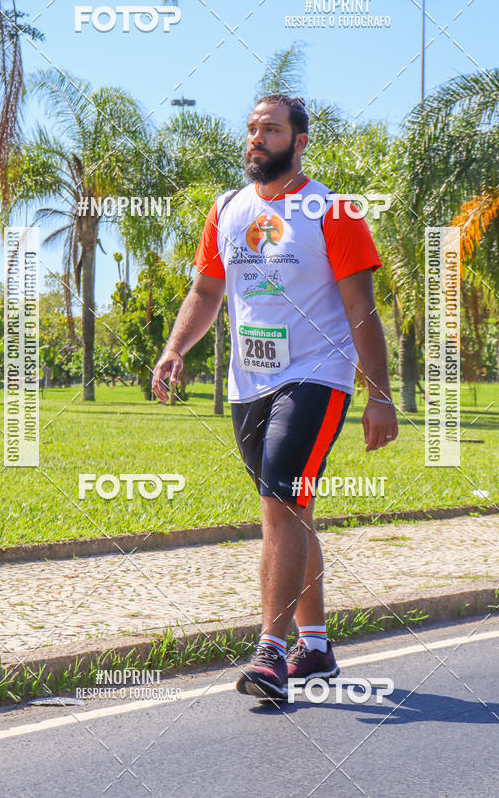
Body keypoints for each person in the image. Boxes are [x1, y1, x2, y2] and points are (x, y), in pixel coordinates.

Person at [152, 94, 398, 701]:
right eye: (253, 128)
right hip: (249, 383)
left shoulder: (331, 211)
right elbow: (207, 293)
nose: (257, 138)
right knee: (292, 509)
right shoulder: (228, 209)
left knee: (280, 499)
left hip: (318, 375)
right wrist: (176, 347)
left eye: (272, 129)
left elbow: (360, 309)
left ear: (300, 141)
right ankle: (314, 647)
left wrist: (380, 395)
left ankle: (271, 651)